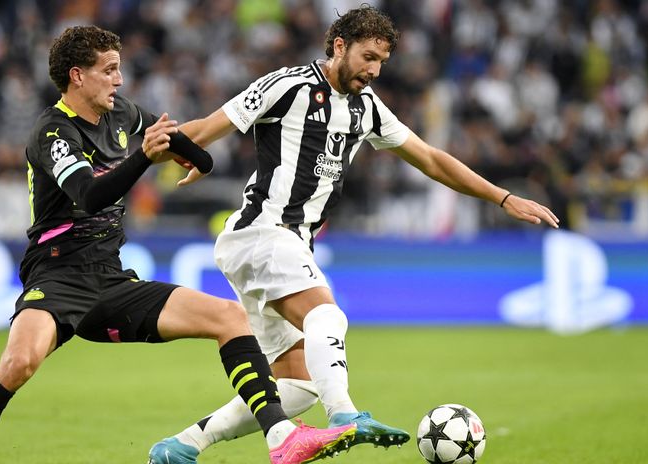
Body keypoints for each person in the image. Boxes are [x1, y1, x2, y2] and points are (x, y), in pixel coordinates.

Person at [148, 5, 560, 463]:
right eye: (368, 57)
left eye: (381, 61)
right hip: (263, 233)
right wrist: (142, 158)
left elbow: (430, 159)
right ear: (339, 46)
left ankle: (181, 446)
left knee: (298, 385)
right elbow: (204, 129)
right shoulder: (287, 86)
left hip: (284, 245)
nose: (374, 70)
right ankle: (346, 416)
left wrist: (502, 197)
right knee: (327, 317)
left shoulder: (368, 109)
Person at [0, 25, 358, 464]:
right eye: (109, 70)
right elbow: (89, 195)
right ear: (77, 76)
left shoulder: (121, 113)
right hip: (58, 278)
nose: (119, 80)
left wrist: (197, 159)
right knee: (19, 364)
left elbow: (175, 139)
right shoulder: (52, 132)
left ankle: (281, 436)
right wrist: (145, 157)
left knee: (230, 318)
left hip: (111, 280)